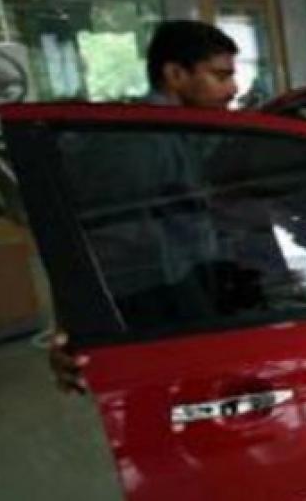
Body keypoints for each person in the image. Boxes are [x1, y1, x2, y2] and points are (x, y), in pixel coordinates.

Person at [50, 20, 239, 394]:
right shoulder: (138, 143)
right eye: (220, 76)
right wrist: (75, 328)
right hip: (150, 296)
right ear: (175, 74)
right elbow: (91, 236)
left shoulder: (179, 131)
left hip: (181, 281)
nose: (233, 89)